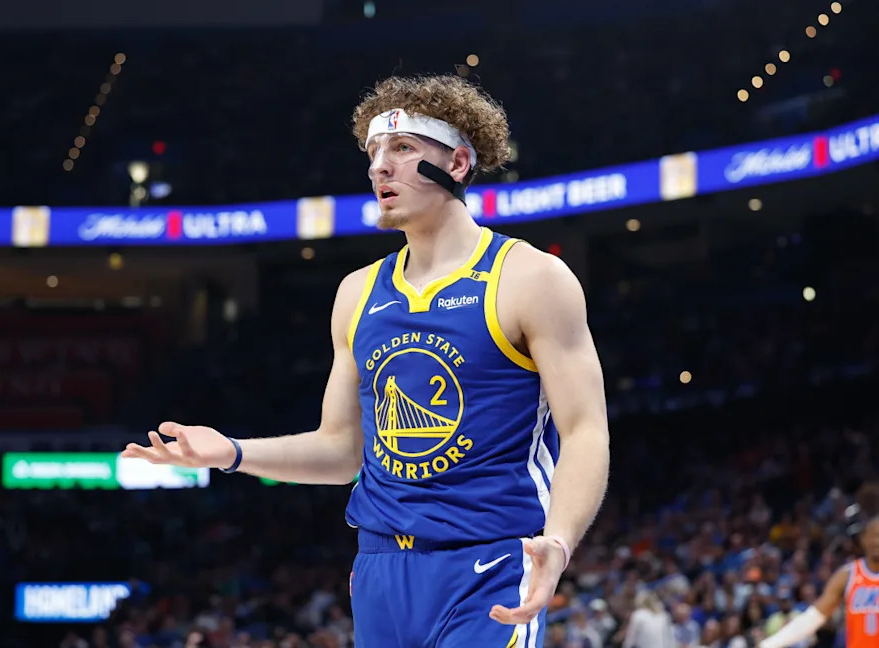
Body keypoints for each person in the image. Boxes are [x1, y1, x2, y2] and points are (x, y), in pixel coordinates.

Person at [122, 74, 610, 647]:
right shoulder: (357, 293)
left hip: (490, 565)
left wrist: (557, 542)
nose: (380, 167)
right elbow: (341, 450)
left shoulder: (530, 278)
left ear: (457, 163)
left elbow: (585, 429)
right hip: (379, 571)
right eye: (374, 152)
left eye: (402, 148)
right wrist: (230, 452)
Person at [760, 516, 879, 648]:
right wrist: (769, 644)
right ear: (863, 539)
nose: (877, 541)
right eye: (872, 536)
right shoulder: (846, 575)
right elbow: (813, 617)